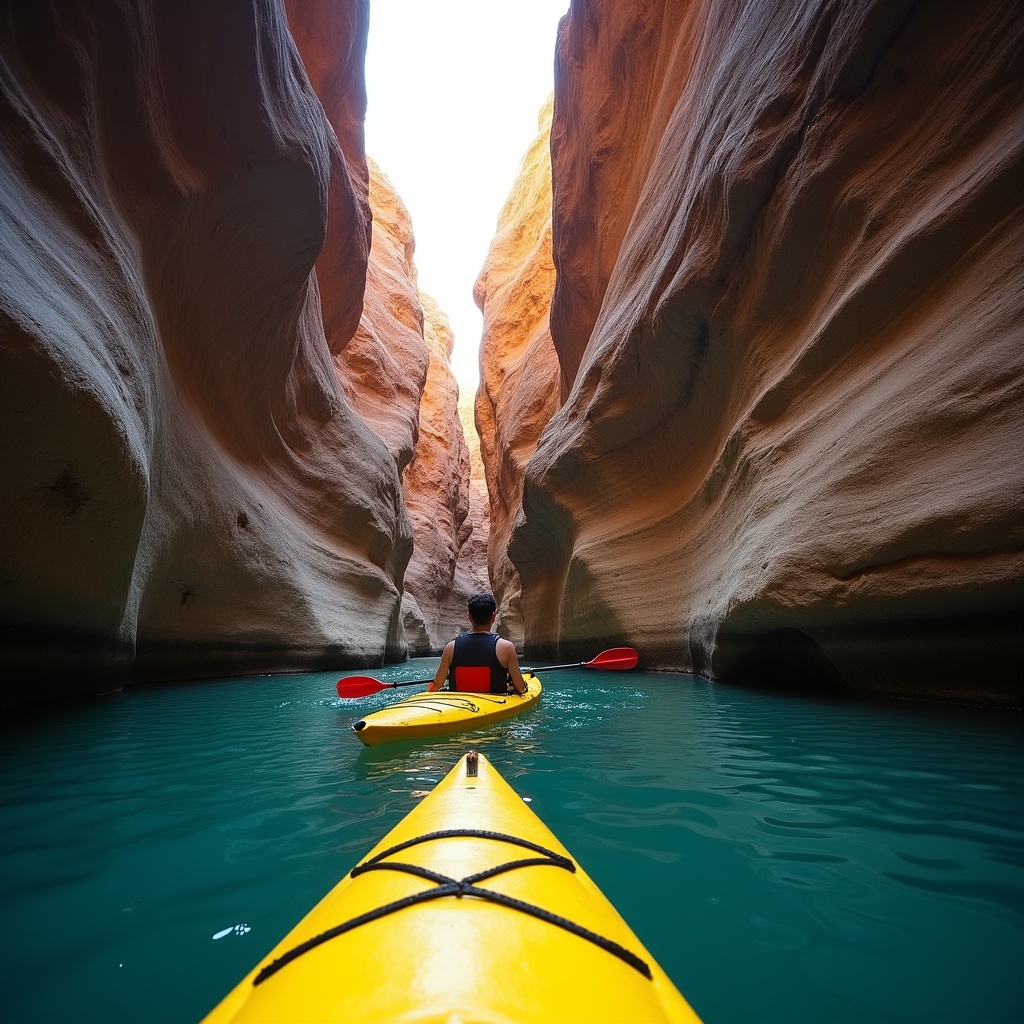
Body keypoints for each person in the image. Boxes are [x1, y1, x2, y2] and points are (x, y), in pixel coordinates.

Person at [429, 592, 527, 695]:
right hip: (495, 705)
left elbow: (437, 685)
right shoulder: (507, 648)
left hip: (459, 705)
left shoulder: (450, 648)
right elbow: (520, 688)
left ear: (469, 617)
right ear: (493, 617)